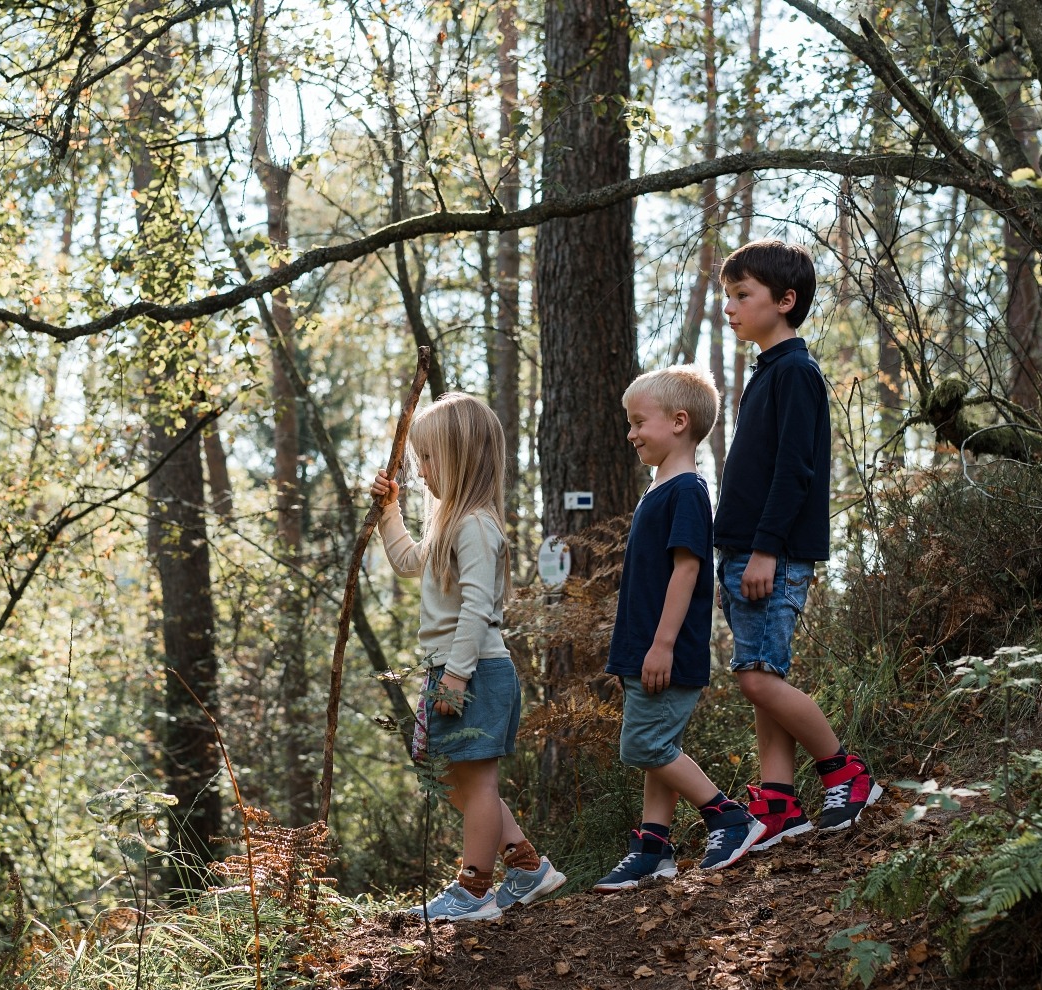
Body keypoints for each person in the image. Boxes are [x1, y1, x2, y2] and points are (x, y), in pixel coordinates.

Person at [371, 392, 566, 922]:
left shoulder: (477, 524)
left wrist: (456, 674)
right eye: (418, 460)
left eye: (430, 458)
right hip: (451, 670)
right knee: (453, 777)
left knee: (476, 783)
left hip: (473, 670)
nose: (422, 469)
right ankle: (526, 867)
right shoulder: (449, 524)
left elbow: (479, 606)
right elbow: (408, 562)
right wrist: (390, 511)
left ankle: (475, 890)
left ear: (461, 457)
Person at [714, 238, 882, 851]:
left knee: (758, 680)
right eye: (728, 295)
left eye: (742, 295)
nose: (729, 307)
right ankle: (779, 803)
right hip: (743, 552)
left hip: (771, 554)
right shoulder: (766, 373)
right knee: (764, 675)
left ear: (785, 301)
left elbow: (794, 472)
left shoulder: (796, 373)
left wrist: (764, 549)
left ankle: (845, 772)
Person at [593, 365, 767, 894]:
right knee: (657, 743)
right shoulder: (660, 489)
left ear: (678, 421)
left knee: (644, 745)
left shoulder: (688, 490)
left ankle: (728, 818)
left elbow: (688, 569)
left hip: (663, 647)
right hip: (644, 646)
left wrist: (662, 644)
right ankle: (652, 847)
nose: (631, 433)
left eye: (638, 421)